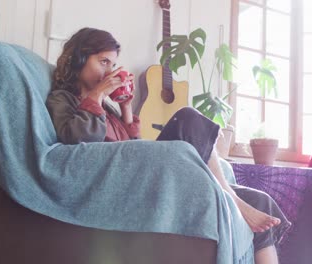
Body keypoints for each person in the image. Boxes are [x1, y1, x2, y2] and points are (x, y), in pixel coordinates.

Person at [46, 27, 291, 263]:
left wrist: (125, 107)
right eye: (103, 62)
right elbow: (77, 139)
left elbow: (132, 146)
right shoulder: (63, 98)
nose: (109, 71)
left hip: (139, 170)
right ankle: (231, 197)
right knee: (186, 118)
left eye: (112, 64)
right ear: (79, 59)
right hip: (125, 182)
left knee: (260, 200)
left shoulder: (108, 108)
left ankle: (231, 196)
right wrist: (96, 95)